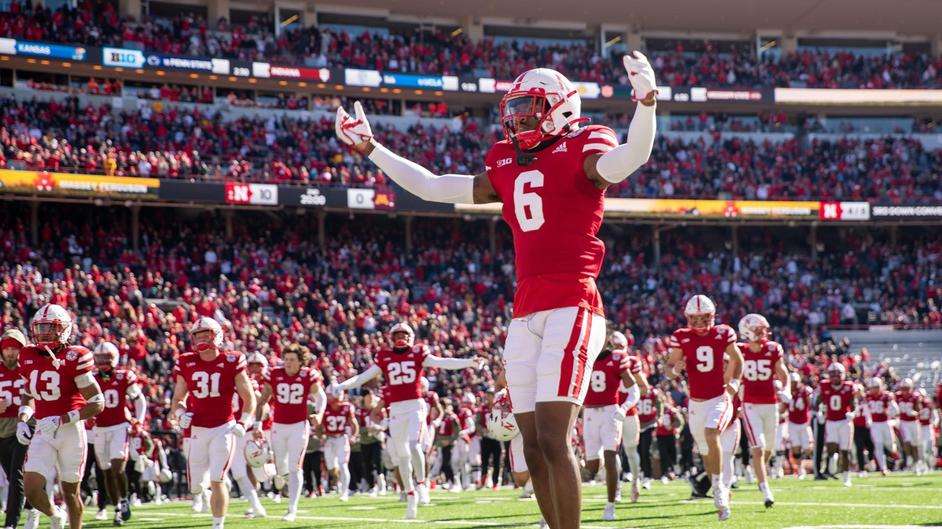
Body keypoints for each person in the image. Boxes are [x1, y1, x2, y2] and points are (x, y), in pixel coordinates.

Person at [336, 51, 658, 529]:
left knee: (552, 435)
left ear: (559, 108)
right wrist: (373, 150)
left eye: (529, 108)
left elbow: (631, 157)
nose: (518, 119)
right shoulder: (507, 161)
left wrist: (646, 105)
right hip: (525, 307)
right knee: (528, 444)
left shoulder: (585, 144)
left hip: (574, 301)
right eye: (515, 109)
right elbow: (431, 187)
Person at [333, 323, 481, 519]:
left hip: (415, 407)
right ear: (391, 338)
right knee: (403, 456)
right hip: (395, 409)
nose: (401, 338)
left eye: (404, 334)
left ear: (411, 337)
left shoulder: (419, 352)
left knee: (414, 446)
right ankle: (410, 493)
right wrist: (343, 385)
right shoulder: (385, 356)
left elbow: (442, 361)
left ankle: (421, 484)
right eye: (398, 335)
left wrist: (468, 362)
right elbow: (364, 376)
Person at [17, 304, 105, 529]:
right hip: (42, 431)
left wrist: (62, 418)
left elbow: (97, 402)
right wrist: (23, 419)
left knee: (70, 492)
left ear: (63, 329)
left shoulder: (75, 356)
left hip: (70, 431)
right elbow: (28, 394)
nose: (44, 332)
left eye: (50, 327)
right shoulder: (27, 355)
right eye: (41, 327)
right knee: (31, 489)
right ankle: (55, 515)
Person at [169, 317, 256, 529]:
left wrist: (243, 422)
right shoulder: (186, 361)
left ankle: (218, 525)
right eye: (198, 336)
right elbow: (177, 400)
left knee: (217, 479)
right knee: (196, 486)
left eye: (205, 335)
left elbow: (249, 397)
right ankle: (201, 494)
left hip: (223, 427)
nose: (201, 340)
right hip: (197, 429)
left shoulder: (231, 360)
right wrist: (180, 415)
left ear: (216, 336)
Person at [666, 295, 743, 521]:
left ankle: (719, 489)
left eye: (704, 319)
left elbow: (737, 360)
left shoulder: (723, 333)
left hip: (719, 397)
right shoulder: (681, 337)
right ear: (688, 318)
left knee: (712, 434)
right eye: (695, 319)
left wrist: (732, 388)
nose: (699, 324)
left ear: (712, 317)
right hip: (696, 403)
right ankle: (719, 488)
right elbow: (669, 368)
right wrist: (675, 370)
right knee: (706, 452)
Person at [256, 343, 325, 521]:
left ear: (300, 362)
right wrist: (257, 424)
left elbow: (320, 397)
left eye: (292, 360)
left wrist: (319, 413)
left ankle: (291, 509)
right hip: (278, 426)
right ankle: (282, 478)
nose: (288, 363)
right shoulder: (274, 373)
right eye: (286, 359)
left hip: (298, 426)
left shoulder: (307, 374)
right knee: (280, 467)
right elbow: (263, 399)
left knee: (295, 468)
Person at [581, 331, 641, 520]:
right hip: (589, 413)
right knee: (592, 465)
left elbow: (634, 390)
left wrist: (623, 409)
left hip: (610, 412)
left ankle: (610, 504)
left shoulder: (618, 358)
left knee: (610, 456)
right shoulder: (582, 357)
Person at [736, 314, 789, 508]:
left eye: (764, 329)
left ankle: (758, 471)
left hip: (771, 404)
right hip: (750, 405)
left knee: (769, 448)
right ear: (747, 333)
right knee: (758, 448)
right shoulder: (739, 350)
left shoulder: (773, 348)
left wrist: (786, 389)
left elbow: (783, 372)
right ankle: (765, 488)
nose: (763, 333)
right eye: (759, 330)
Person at [91, 341, 146, 525]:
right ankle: (116, 509)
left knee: (117, 466)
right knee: (105, 471)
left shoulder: (124, 376)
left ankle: (124, 500)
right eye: (100, 359)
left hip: (118, 427)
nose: (103, 363)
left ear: (114, 359)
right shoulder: (91, 378)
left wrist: (139, 419)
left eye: (106, 358)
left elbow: (139, 400)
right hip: (99, 428)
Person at [0, 329, 31, 529]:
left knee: (17, 474)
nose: (11, 352)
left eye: (15, 348)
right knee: (13, 477)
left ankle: (11, 523)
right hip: (1, 428)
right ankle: (32, 505)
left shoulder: (29, 368)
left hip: (23, 425)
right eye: (7, 348)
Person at [615, 331, 649, 504]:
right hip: (610, 412)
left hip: (628, 413)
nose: (617, 351)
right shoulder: (603, 360)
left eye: (619, 347)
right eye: (614, 347)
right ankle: (615, 488)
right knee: (611, 451)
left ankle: (635, 482)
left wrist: (632, 392)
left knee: (630, 450)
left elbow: (644, 387)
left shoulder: (632, 362)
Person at [815, 363, 859, 487]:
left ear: (843, 375)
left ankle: (846, 477)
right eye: (832, 375)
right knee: (831, 448)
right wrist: (819, 413)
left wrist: (853, 413)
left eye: (837, 374)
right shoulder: (824, 385)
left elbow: (854, 404)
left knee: (846, 451)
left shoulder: (849, 387)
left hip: (845, 421)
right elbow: (818, 402)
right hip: (830, 421)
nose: (835, 377)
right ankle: (832, 459)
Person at [320, 388, 358, 501]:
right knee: (331, 467)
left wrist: (354, 436)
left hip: (342, 438)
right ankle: (337, 483)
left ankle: (344, 492)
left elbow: (353, 423)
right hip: (329, 439)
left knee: (343, 465)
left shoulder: (346, 407)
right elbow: (319, 425)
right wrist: (320, 435)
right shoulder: (324, 407)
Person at [864, 378, 897, 475]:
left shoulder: (887, 396)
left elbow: (895, 410)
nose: (874, 389)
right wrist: (868, 420)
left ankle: (894, 459)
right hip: (875, 424)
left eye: (876, 387)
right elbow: (866, 410)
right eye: (873, 387)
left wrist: (888, 412)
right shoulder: (867, 396)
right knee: (878, 445)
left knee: (890, 446)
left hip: (886, 423)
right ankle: (883, 468)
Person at [784, 373, 814, 478]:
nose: (793, 384)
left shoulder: (804, 391)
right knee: (795, 448)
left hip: (804, 423)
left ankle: (815, 466)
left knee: (808, 448)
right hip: (792, 424)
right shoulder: (787, 392)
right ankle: (801, 470)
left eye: (795, 382)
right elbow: (783, 409)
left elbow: (811, 404)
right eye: (792, 382)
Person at [895, 378, 923, 472]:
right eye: (903, 388)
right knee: (907, 440)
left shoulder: (915, 396)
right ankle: (909, 458)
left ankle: (916, 463)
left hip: (914, 422)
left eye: (907, 388)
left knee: (915, 444)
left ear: (911, 388)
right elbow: (894, 409)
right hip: (903, 422)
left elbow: (919, 411)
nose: (905, 390)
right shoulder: (897, 396)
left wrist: (914, 412)